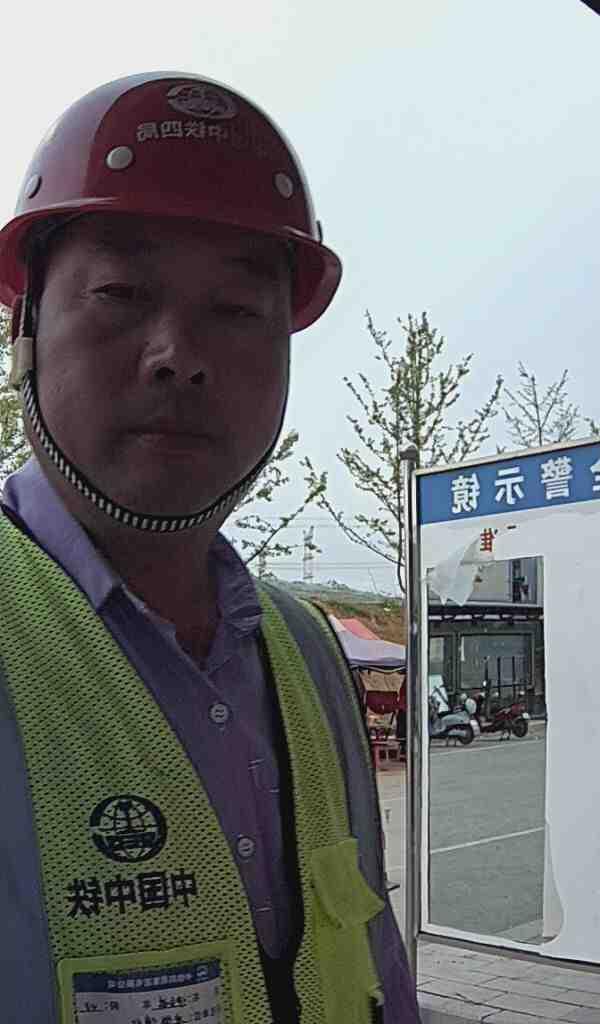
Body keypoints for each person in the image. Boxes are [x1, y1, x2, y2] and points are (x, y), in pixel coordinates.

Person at [0, 73, 421, 1023]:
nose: (179, 355)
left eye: (236, 311)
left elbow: (373, 962)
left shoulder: (308, 653)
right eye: (121, 292)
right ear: (24, 327)